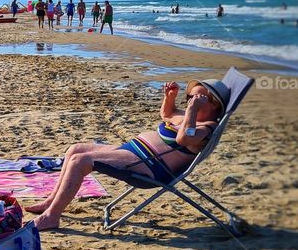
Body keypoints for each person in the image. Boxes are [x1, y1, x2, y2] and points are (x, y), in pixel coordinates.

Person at [26, 78, 229, 230]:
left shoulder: (206, 127)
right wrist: (170, 98)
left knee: (81, 161)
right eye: (190, 97)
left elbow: (184, 139)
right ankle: (50, 201)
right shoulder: (186, 117)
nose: (191, 101)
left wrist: (192, 112)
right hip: (134, 150)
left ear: (214, 105)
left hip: (149, 166)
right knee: (75, 149)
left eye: (198, 98)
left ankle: (52, 216)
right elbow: (167, 114)